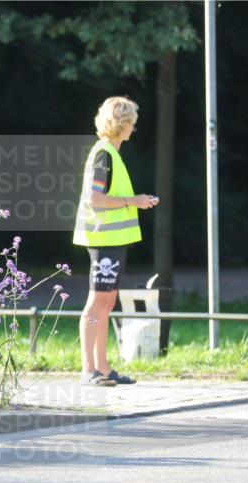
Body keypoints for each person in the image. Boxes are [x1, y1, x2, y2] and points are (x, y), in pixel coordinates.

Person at [74, 96, 159, 386]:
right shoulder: (104, 155)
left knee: (107, 302)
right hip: (103, 240)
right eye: (131, 123)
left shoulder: (110, 153)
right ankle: (89, 370)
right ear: (121, 124)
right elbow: (95, 199)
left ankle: (103, 368)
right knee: (97, 303)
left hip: (113, 240)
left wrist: (137, 201)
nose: (133, 128)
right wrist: (134, 201)